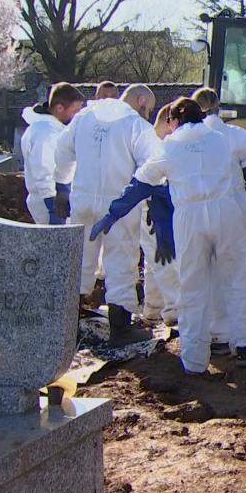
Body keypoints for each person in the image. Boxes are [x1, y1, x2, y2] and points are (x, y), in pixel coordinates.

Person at [90, 98, 246, 373]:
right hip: (225, 210)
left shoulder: (168, 147)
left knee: (193, 286)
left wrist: (113, 214)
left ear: (173, 121)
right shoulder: (220, 140)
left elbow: (141, 185)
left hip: (190, 215)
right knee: (236, 279)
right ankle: (245, 344)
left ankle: (194, 359)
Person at [54, 84, 157, 344]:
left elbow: (62, 152)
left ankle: (68, 325)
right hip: (118, 204)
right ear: (140, 100)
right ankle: (120, 328)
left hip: (83, 199)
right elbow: (153, 164)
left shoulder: (83, 118)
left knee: (80, 259)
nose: (148, 114)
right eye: (148, 109)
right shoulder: (135, 125)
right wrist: (153, 199)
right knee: (121, 260)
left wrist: (61, 186)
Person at [193, 87, 246, 346]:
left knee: (212, 266)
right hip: (238, 204)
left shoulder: (186, 139)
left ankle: (219, 331)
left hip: (201, 206)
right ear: (219, 107)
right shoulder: (238, 136)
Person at [139, 104, 180, 328]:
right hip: (154, 210)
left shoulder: (145, 139)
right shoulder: (158, 147)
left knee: (152, 259)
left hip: (149, 208)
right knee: (164, 260)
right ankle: (174, 308)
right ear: (168, 122)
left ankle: (153, 307)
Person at [20, 83, 85, 224]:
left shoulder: (53, 130)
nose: (77, 116)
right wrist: (53, 205)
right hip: (50, 201)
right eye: (75, 111)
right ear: (60, 108)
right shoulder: (45, 133)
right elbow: (44, 171)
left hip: (60, 198)